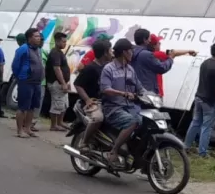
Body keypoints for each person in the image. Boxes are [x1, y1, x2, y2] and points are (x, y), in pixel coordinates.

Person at [100, 38, 145, 169]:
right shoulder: (109, 69)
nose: (132, 53)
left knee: (146, 123)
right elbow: (105, 89)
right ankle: (113, 151)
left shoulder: (130, 69)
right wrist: (122, 93)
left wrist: (152, 95)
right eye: (131, 51)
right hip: (113, 108)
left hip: (130, 107)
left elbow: (140, 88)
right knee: (132, 122)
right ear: (125, 52)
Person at [184, 43, 215, 157]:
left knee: (195, 123)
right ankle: (202, 152)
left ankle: (185, 147)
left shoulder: (205, 63)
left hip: (199, 98)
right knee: (206, 127)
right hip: (209, 101)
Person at [74, 39, 113, 152]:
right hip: (94, 102)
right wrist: (87, 100)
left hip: (106, 101)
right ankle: (84, 142)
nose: (112, 52)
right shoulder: (90, 68)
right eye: (110, 50)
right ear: (105, 52)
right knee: (98, 118)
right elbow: (77, 84)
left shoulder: (107, 66)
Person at [11, 28, 44, 138]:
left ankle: (28, 128)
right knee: (23, 107)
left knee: (32, 107)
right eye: (36, 36)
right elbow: (15, 65)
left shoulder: (38, 50)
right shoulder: (23, 49)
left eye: (39, 36)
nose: (38, 38)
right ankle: (20, 130)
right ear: (29, 38)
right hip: (26, 81)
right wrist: (20, 76)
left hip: (37, 82)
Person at [130, 28, 183, 94]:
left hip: (134, 90)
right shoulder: (147, 55)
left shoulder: (130, 52)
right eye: (149, 38)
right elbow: (162, 68)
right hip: (147, 92)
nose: (150, 40)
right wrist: (171, 59)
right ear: (144, 40)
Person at [46, 32, 71, 131]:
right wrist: (63, 83)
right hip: (56, 82)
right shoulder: (55, 53)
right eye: (63, 41)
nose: (65, 44)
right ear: (57, 41)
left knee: (64, 103)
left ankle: (60, 122)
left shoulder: (60, 52)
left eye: (66, 42)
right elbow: (57, 69)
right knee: (57, 103)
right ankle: (54, 125)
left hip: (62, 82)